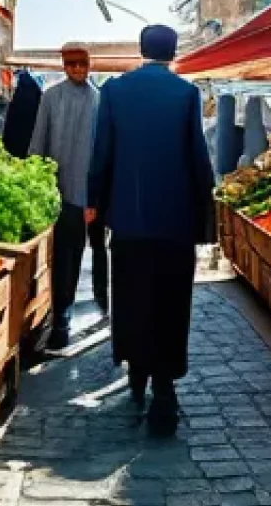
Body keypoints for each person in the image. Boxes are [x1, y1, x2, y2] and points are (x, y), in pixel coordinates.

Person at [87, 24, 215, 436]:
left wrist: (96, 203)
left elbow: (102, 152)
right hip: (174, 221)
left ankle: (137, 371)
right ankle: (164, 389)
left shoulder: (114, 91)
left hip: (128, 219)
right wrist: (206, 214)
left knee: (132, 297)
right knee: (170, 302)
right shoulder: (185, 94)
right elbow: (198, 154)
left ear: (141, 49)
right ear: (174, 52)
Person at [29, 42, 100, 350]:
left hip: (81, 197)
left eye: (82, 65)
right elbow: (37, 142)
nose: (78, 70)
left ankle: (62, 321)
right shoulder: (50, 97)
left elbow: (100, 153)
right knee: (52, 258)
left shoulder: (98, 100)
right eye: (72, 65)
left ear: (89, 65)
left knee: (70, 258)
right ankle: (53, 316)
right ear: (64, 66)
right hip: (50, 193)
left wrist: (94, 200)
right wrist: (33, 184)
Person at [2, 69, 43, 159]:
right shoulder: (38, 95)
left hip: (13, 143)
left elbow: (8, 122)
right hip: (32, 142)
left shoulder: (17, 99)